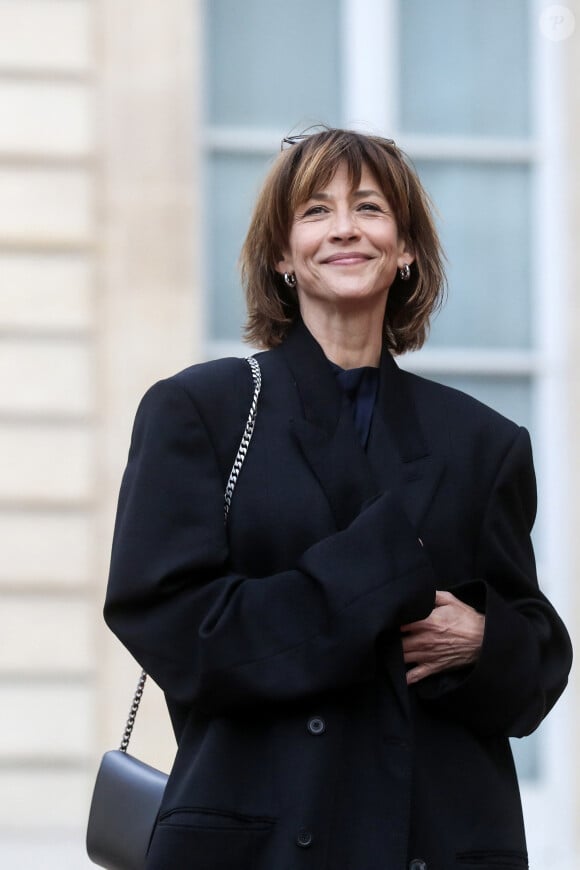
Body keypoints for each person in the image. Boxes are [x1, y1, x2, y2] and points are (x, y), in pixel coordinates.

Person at [104, 128, 572, 870]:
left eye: (370, 209)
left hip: (435, 838)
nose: (346, 228)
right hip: (259, 835)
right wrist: (373, 581)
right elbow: (171, 625)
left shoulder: (482, 442)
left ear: (407, 248)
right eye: (316, 211)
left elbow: (535, 660)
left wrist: (484, 643)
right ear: (283, 256)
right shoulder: (202, 410)